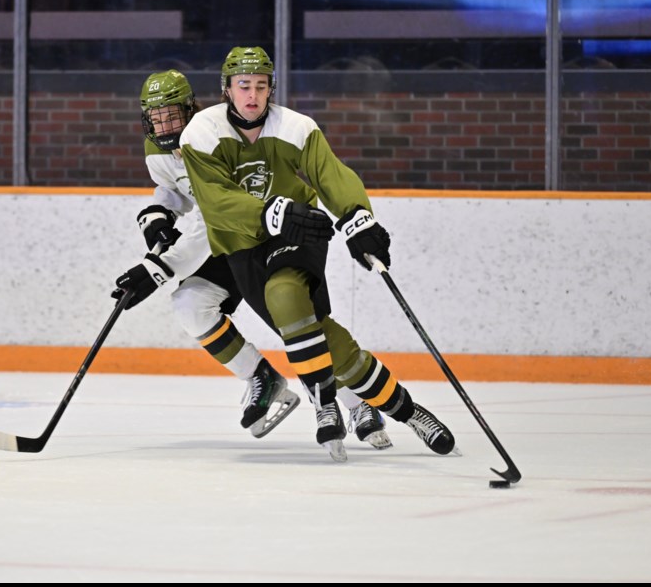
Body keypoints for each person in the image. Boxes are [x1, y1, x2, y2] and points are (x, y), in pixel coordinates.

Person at [177, 46, 456, 462]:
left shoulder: (295, 126)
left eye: (260, 86)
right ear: (226, 90)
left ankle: (325, 401)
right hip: (243, 245)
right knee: (320, 334)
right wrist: (269, 211)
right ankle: (409, 410)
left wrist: (357, 217)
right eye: (243, 86)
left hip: (300, 229)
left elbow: (331, 175)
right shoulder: (201, 132)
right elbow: (216, 203)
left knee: (286, 295)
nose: (252, 95)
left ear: (271, 89)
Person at [112, 69, 392, 447]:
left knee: (293, 324)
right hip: (221, 241)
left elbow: (213, 216)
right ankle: (262, 377)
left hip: (253, 235)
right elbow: (174, 187)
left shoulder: (209, 135)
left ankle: (356, 401)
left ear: (190, 107)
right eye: (156, 117)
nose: (165, 125)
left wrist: (160, 268)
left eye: (172, 115)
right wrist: (159, 212)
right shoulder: (156, 150)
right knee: (191, 304)